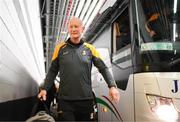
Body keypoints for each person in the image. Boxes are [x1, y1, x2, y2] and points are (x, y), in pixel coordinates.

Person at [38, 16, 120, 121]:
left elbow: (103, 68)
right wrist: (45, 88)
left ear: (82, 29)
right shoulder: (60, 49)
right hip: (65, 101)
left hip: (85, 100)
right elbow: (52, 71)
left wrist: (112, 86)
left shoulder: (90, 49)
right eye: (71, 27)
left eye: (76, 26)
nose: (73, 29)